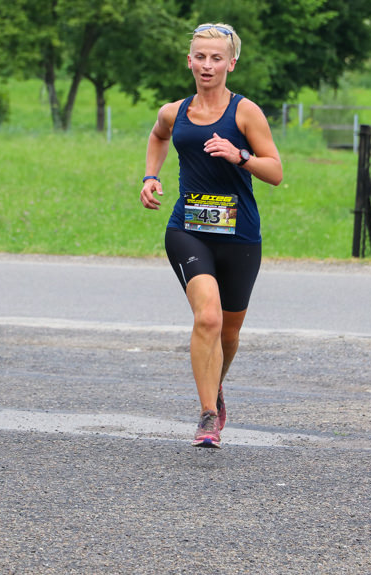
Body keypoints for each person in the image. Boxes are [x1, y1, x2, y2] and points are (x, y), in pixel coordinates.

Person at [139, 22, 283, 448]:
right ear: (189, 61)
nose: (207, 65)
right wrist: (151, 176)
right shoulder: (174, 111)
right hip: (188, 230)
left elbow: (275, 171)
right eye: (200, 57)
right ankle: (207, 416)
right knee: (207, 317)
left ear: (231, 64)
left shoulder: (245, 112)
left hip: (239, 235)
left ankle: (214, 386)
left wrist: (240, 156)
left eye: (216, 58)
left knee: (229, 333)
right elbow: (157, 135)